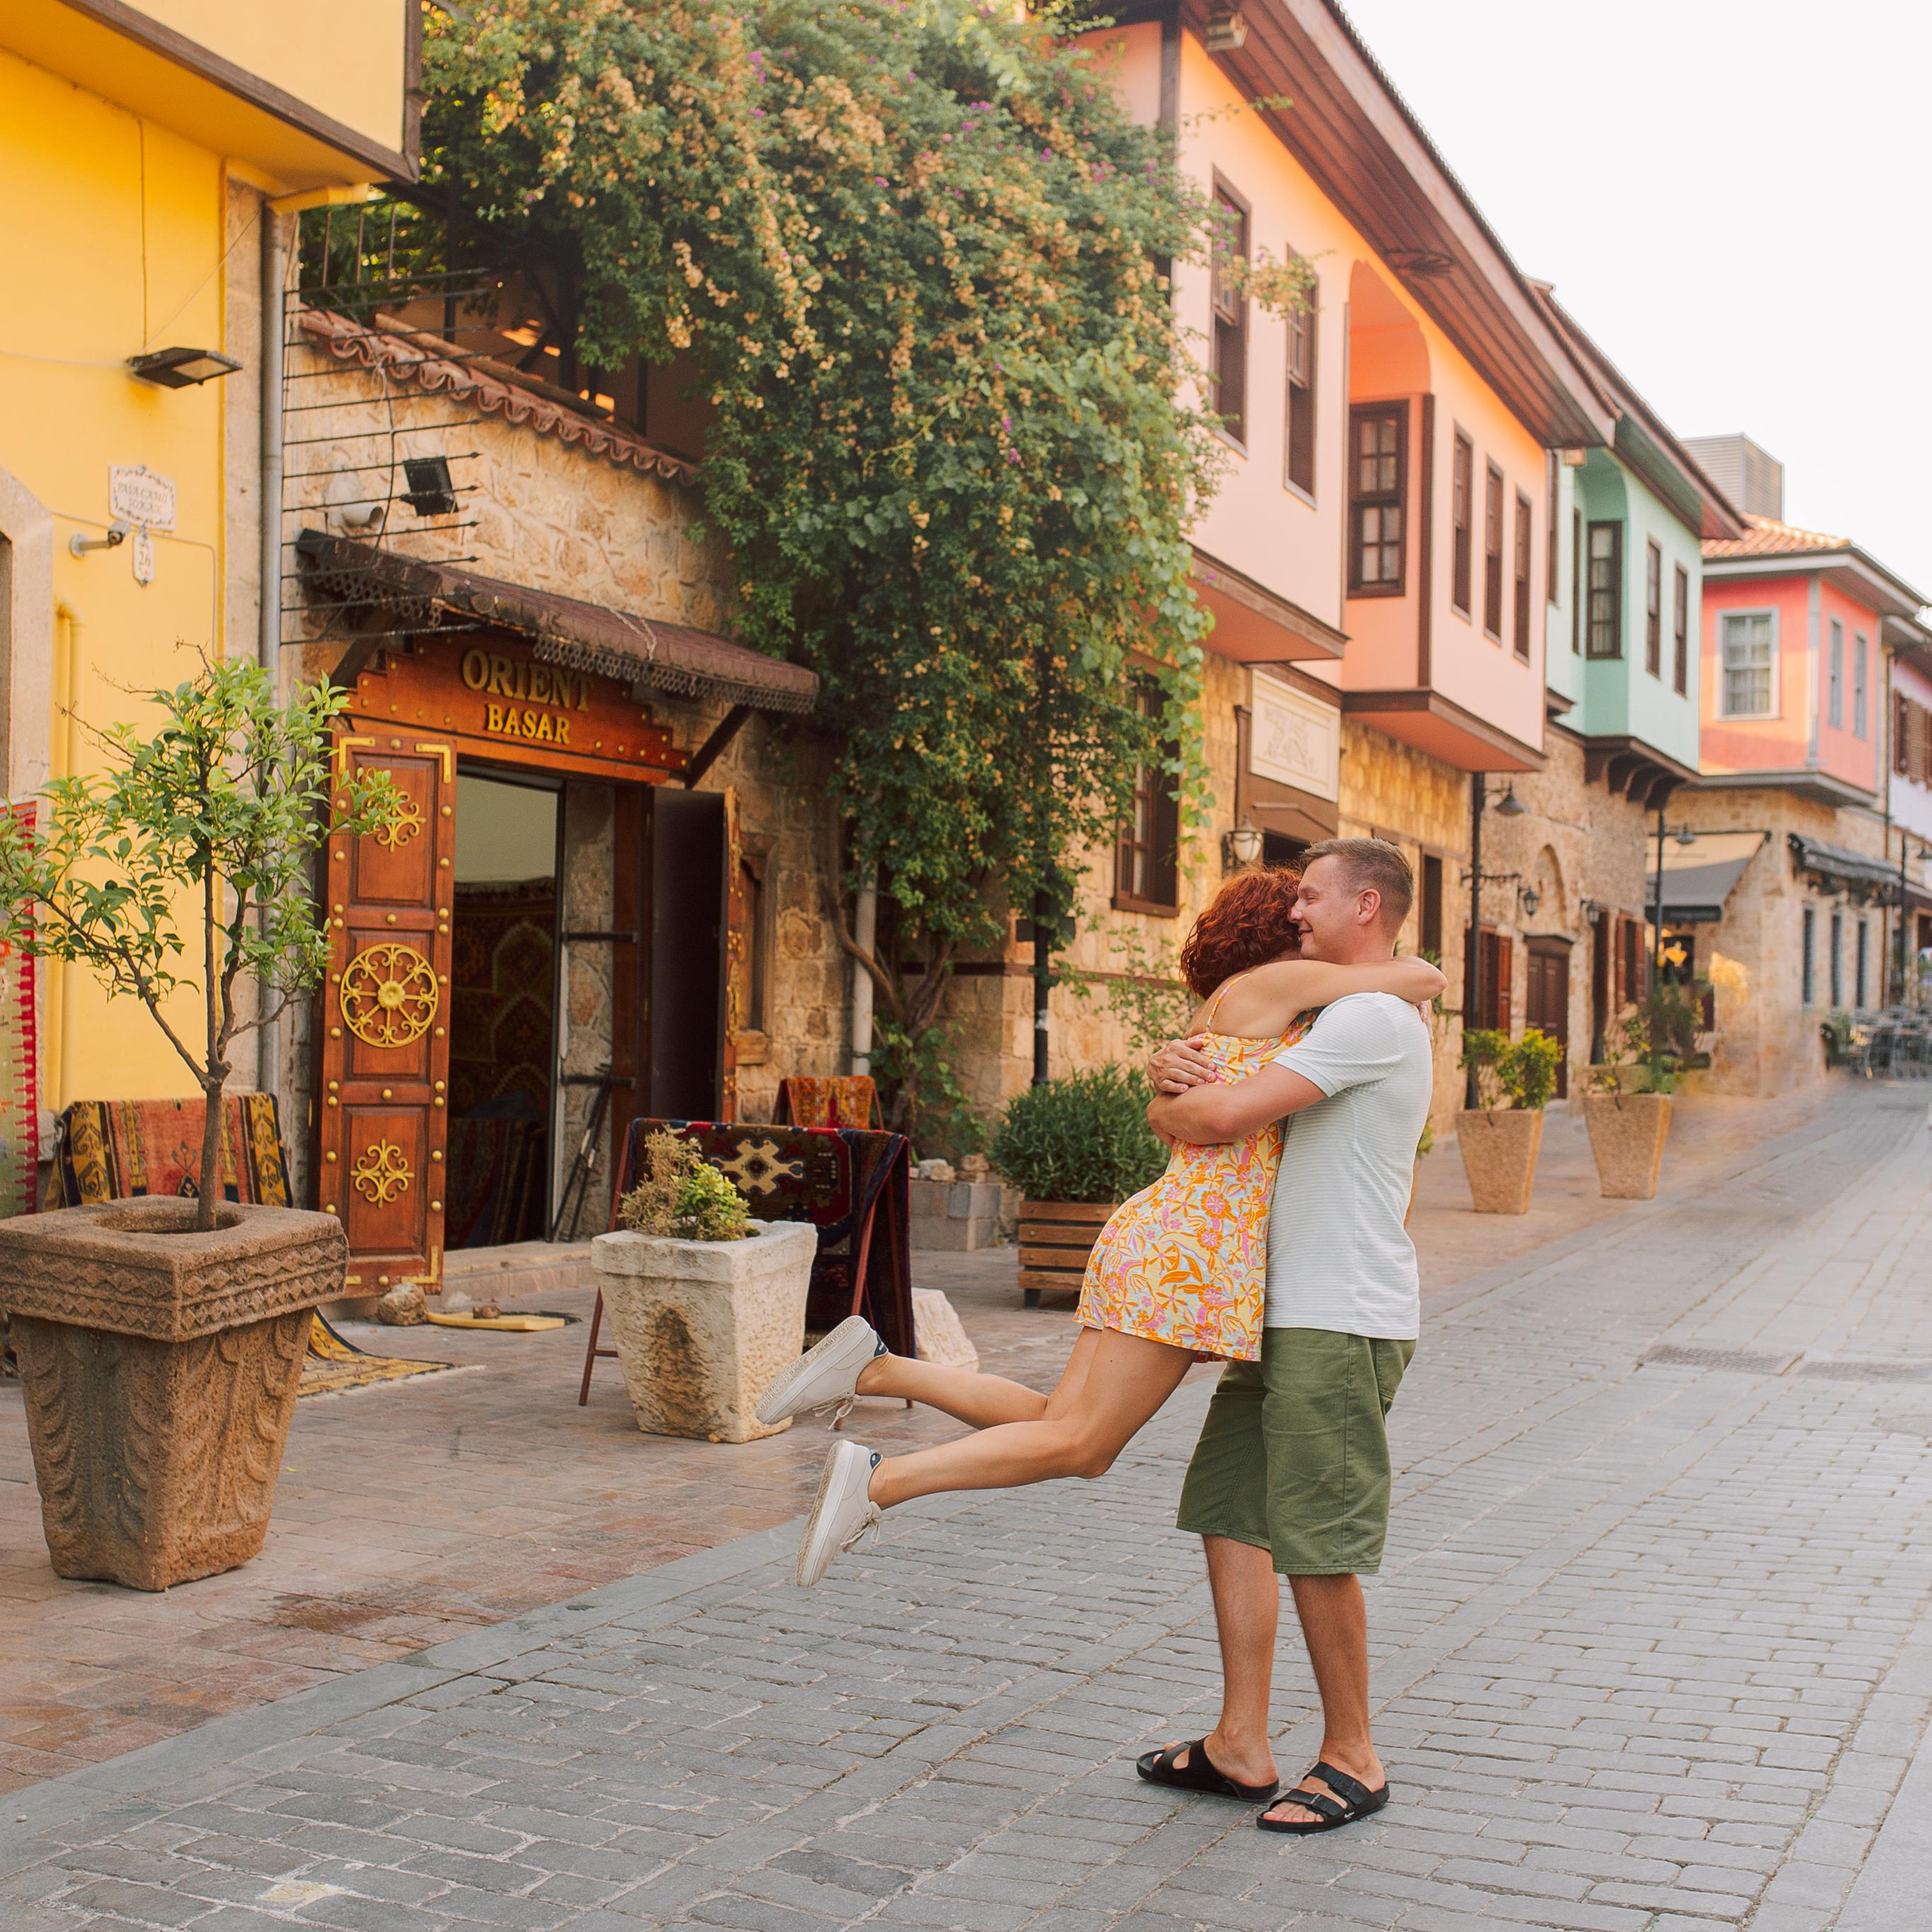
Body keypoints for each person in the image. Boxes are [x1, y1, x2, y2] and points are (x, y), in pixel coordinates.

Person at [752, 863, 1444, 1607]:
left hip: (1169, 1229)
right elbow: (1423, 978)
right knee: (1083, 1445)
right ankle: (880, 1482)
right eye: (1297, 905)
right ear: (1275, 930)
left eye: (1315, 900)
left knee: (1057, 1420)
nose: (1307, 917)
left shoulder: (1248, 1007)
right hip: (1193, 1245)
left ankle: (878, 1368)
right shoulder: (1277, 986)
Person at [1134, 836, 1432, 1836]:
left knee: (1315, 1538)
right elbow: (1208, 1090)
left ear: (1367, 910)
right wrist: (1167, 1063)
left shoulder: (1373, 1020)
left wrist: (1182, 1095)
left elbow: (1223, 1116)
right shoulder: (1327, 1016)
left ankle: (1353, 1755)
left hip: (1340, 1316)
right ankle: (1239, 1744)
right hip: (1286, 1312)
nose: (1293, 911)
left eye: (1310, 897)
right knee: (1230, 1504)